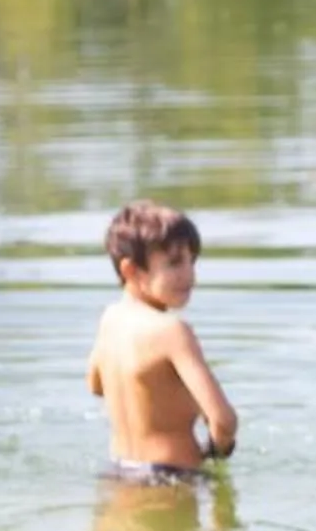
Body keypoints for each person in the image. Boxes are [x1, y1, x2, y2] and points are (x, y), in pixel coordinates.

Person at [87, 200, 237, 484]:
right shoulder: (173, 332)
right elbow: (223, 420)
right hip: (172, 478)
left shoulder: (110, 320)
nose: (189, 275)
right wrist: (218, 453)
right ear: (131, 270)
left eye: (192, 261)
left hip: (118, 473)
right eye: (174, 263)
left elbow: (95, 385)